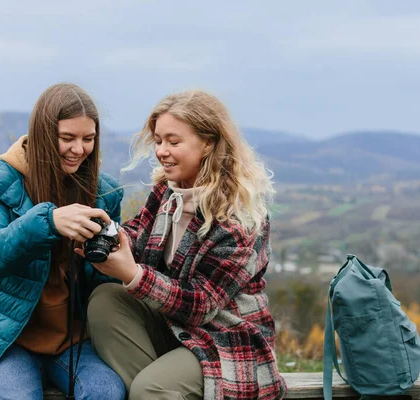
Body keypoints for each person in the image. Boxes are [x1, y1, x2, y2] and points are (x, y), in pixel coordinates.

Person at [83, 90, 287, 399]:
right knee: (106, 299)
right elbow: (136, 236)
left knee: (149, 389)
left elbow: (202, 305)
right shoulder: (168, 191)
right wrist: (101, 230)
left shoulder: (239, 219)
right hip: (173, 326)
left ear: (208, 143)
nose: (162, 151)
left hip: (225, 338)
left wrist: (132, 274)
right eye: (159, 141)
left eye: (173, 142)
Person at [0, 83, 126, 400]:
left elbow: (103, 284)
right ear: (42, 134)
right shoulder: (0, 179)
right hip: (11, 341)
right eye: (67, 138)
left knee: (106, 393)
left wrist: (112, 260)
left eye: (88, 139)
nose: (79, 149)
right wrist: (48, 222)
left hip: (77, 340)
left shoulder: (105, 193)